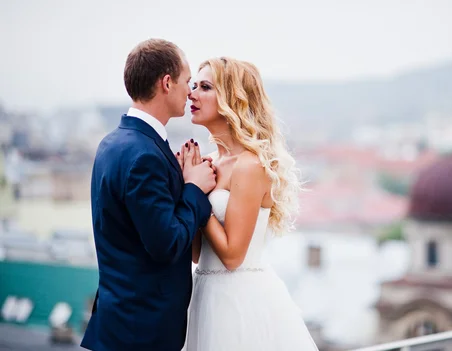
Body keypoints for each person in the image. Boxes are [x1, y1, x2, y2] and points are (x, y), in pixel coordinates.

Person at [81, 39, 217, 351]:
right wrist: (194, 189)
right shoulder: (145, 155)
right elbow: (166, 244)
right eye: (187, 82)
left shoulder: (112, 143)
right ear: (166, 83)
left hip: (119, 322)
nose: (190, 91)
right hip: (141, 332)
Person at [181, 57, 318, 350]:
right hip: (204, 294)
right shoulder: (210, 164)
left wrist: (198, 195)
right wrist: (188, 188)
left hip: (238, 299)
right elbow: (196, 254)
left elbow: (232, 257)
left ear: (232, 99)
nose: (192, 93)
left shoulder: (249, 165)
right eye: (193, 85)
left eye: (205, 87)